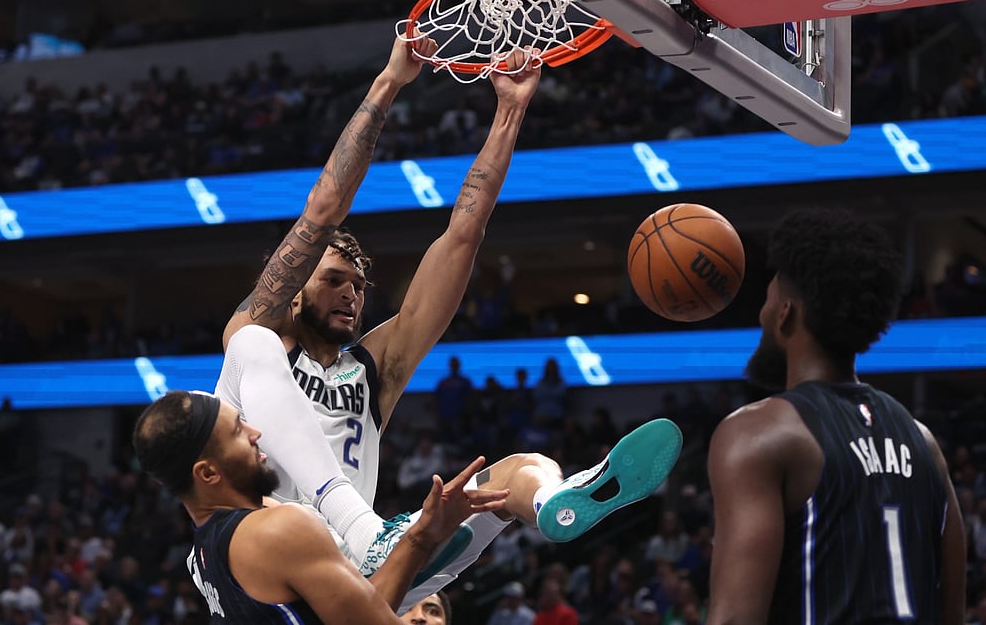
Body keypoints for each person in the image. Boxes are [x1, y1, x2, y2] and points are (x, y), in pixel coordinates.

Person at [213, 39, 681, 610]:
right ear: (292, 289)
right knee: (249, 345)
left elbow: (463, 233)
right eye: (333, 279)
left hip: (368, 565)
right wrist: (391, 81)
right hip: (272, 556)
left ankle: (562, 498)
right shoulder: (261, 334)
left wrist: (510, 110)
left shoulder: (373, 367)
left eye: (359, 286)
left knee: (515, 474)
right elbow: (323, 208)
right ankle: (360, 526)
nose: (351, 294)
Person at [705, 208, 966, 624]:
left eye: (768, 299)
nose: (761, 314)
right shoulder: (924, 443)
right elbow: (952, 615)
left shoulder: (758, 434)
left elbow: (735, 619)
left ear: (786, 312)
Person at [132, 390, 505, 624]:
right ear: (208, 473)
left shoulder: (204, 550)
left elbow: (360, 611)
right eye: (237, 431)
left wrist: (421, 536)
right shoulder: (276, 531)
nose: (254, 433)